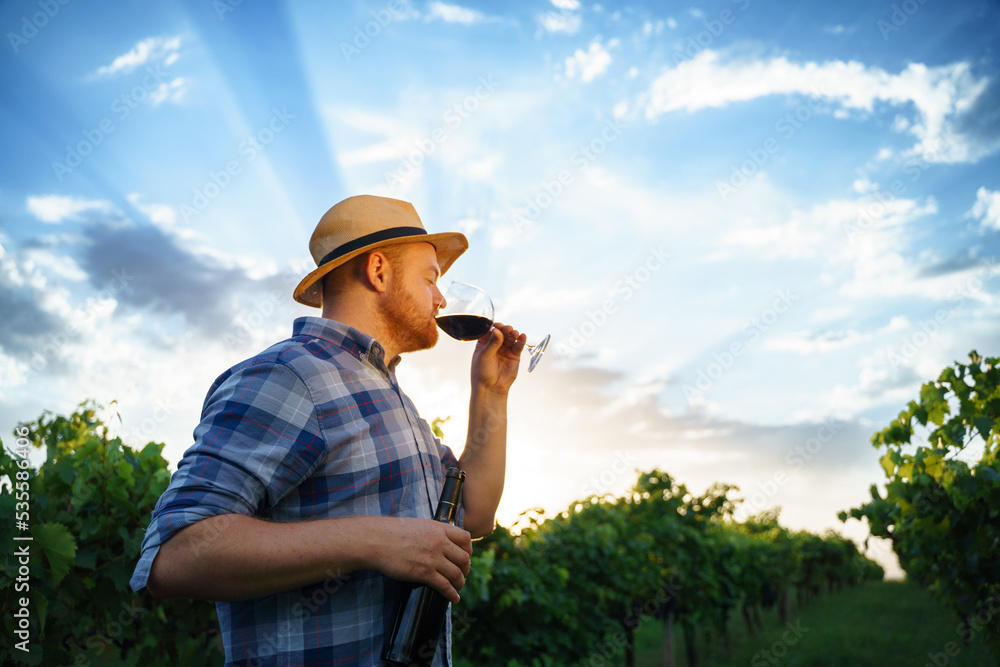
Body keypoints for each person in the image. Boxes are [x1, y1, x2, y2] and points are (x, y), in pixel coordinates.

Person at [129, 194, 526, 667]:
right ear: (378, 271)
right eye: (431, 278)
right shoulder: (290, 375)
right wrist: (375, 541)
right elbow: (173, 556)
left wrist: (492, 393)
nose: (440, 299)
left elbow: (475, 515)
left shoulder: (392, 398)